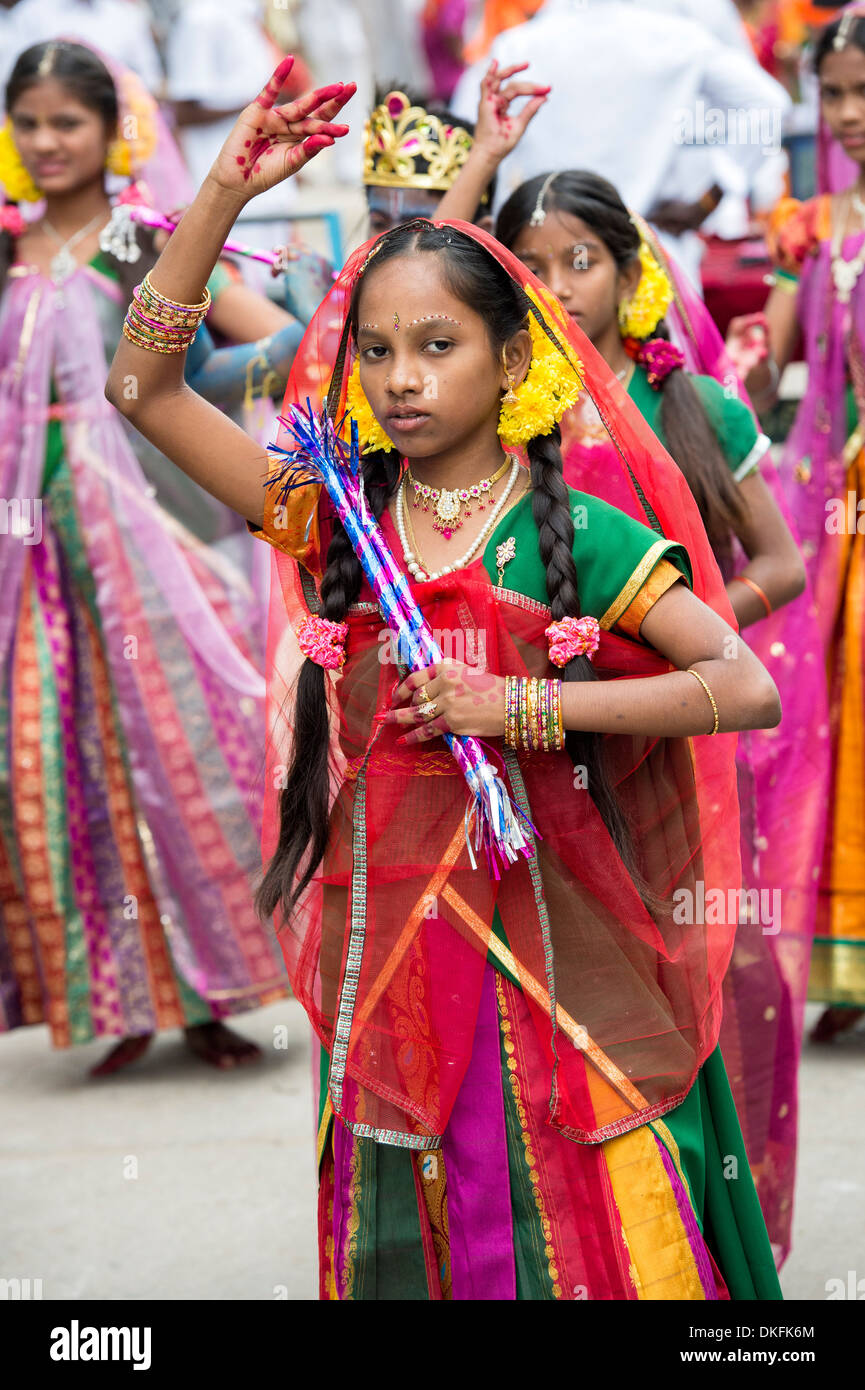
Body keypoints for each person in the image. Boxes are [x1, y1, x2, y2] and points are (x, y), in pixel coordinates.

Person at [106, 56, 785, 1300]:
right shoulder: (332, 519)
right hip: (394, 962)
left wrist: (516, 706)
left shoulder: (573, 532)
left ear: (511, 353)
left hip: (557, 957)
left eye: (436, 345)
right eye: (375, 351)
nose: (402, 376)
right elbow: (139, 388)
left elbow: (743, 687)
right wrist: (221, 191)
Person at [486, 167, 831, 1265]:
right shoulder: (499, 418)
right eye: (526, 269)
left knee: (717, 975)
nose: (555, 287)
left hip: (678, 729)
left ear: (631, 275)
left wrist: (672, 635)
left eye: (577, 262)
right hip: (542, 746)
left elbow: (778, 560)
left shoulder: (691, 403)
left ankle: (728, 1243)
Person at [0, 40, 328, 1075]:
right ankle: (117, 997)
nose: (47, 143)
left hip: (148, 540)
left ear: (113, 129)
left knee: (185, 751)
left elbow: (279, 337)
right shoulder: (7, 251)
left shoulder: (145, 242)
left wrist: (232, 381)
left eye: (67, 122)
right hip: (31, 557)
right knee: (64, 759)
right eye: (29, 124)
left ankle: (209, 1000)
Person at [746, 7, 865, 1042]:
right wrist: (743, 357)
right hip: (829, 499)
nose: (850, 113)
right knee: (815, 707)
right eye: (835, 95)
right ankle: (838, 960)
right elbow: (772, 354)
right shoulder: (815, 226)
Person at [450, 0, 792, 286]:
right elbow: (770, 105)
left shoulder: (519, 45)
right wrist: (711, 196)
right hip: (648, 257)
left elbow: (463, 136)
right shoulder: (674, 38)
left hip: (547, 267)